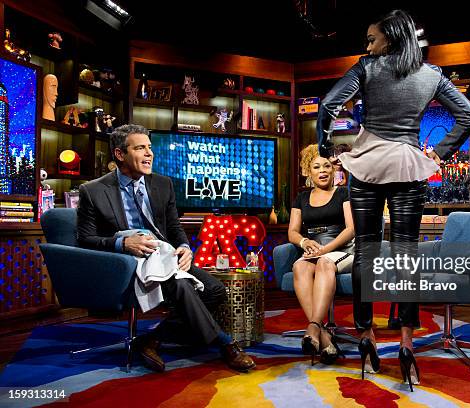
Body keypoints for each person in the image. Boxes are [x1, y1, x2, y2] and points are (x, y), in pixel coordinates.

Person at [317, 10, 470, 389]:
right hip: (408, 164)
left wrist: (326, 142)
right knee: (408, 253)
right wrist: (439, 153)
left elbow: (327, 105)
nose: (367, 45)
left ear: (389, 37)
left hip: (368, 161)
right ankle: (406, 344)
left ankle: (367, 338)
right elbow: (468, 115)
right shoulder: (431, 74)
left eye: (371, 39)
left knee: (366, 251)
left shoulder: (367, 69)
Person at [77, 124, 255, 373]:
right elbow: (84, 239)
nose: (149, 153)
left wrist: (184, 246)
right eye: (140, 148)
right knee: (182, 286)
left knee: (215, 290)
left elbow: (173, 227)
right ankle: (226, 344)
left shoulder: (163, 184)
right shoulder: (93, 190)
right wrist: (123, 243)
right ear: (120, 154)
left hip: (166, 255)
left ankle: (150, 340)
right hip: (128, 262)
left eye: (149, 147)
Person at [288, 144, 355, 365]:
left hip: (341, 249)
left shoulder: (343, 193)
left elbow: (351, 229)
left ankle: (312, 327)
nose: (323, 170)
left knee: (325, 263)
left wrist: (326, 249)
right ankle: (324, 338)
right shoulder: (301, 199)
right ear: (309, 171)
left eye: (327, 165)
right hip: (312, 250)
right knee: (299, 266)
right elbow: (292, 232)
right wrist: (305, 241)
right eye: (316, 166)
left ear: (333, 170)